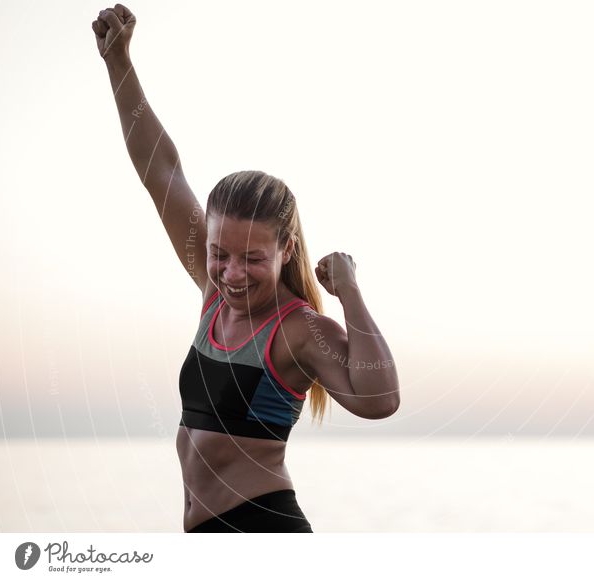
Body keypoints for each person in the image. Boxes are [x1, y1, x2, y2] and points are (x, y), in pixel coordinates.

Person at [92, 4, 400, 533]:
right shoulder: (214, 297)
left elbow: (379, 399)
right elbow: (159, 167)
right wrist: (118, 63)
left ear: (286, 250)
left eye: (253, 258)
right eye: (219, 254)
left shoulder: (300, 329)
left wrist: (349, 293)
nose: (232, 273)